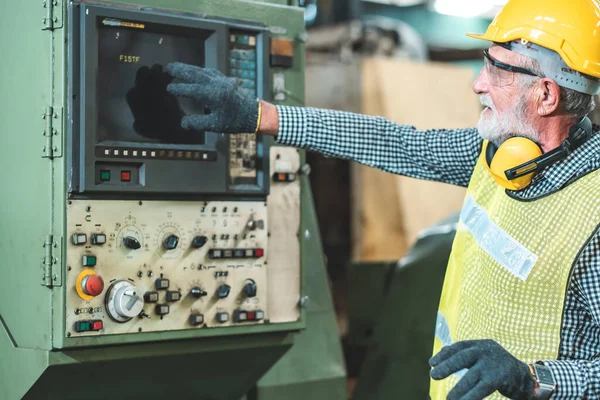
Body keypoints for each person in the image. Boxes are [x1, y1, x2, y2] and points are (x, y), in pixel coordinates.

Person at [164, 0, 600, 398]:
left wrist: (534, 378)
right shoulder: (497, 155)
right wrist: (263, 115)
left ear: (546, 95)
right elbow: (396, 144)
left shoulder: (593, 216)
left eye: (500, 71)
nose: (478, 83)